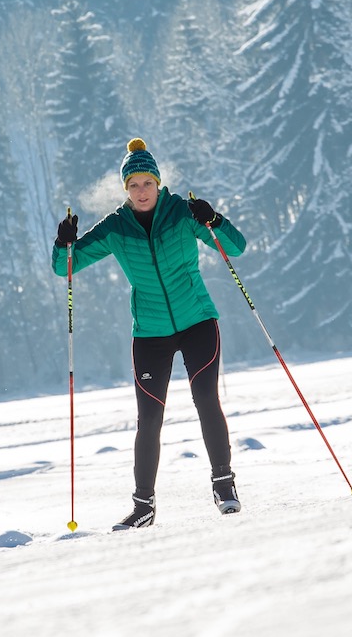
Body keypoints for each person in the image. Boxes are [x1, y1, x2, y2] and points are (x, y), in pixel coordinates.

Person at [52, 138, 247, 528]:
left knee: (206, 397)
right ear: (125, 189)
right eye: (133, 185)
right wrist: (64, 243)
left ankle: (224, 485)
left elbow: (236, 248)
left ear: (158, 183)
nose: (141, 192)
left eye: (147, 183)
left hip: (197, 321)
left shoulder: (182, 212)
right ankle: (144, 507)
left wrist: (214, 219)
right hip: (150, 333)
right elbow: (65, 268)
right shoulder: (115, 227)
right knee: (149, 419)